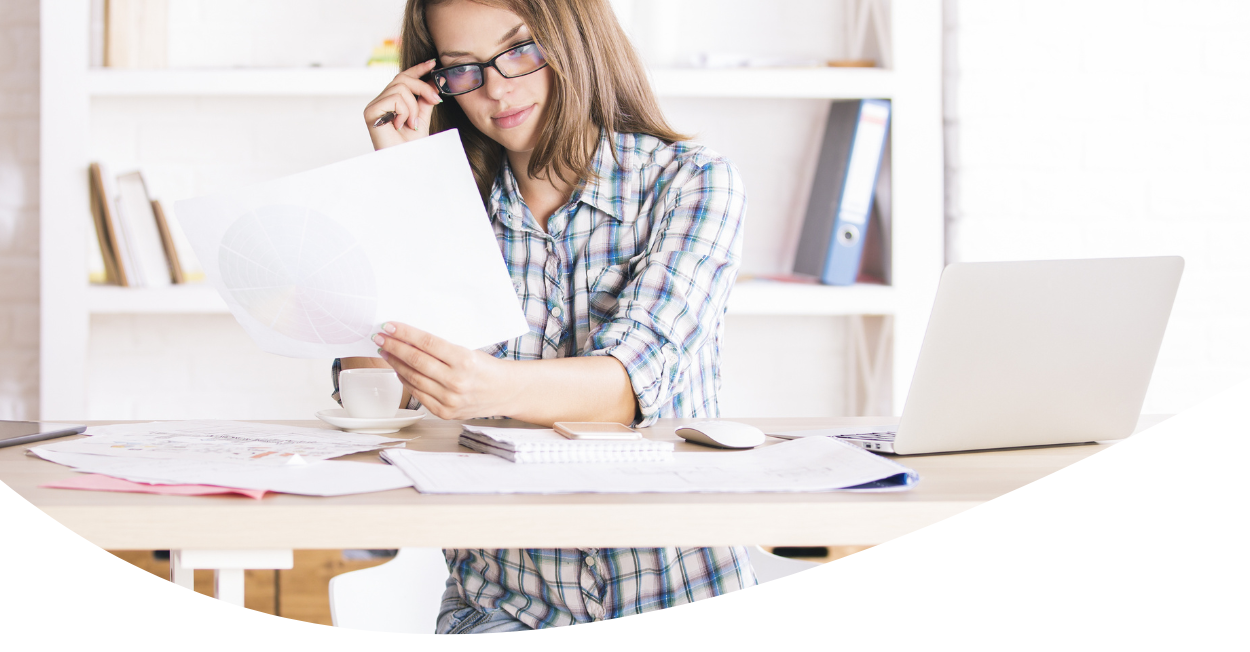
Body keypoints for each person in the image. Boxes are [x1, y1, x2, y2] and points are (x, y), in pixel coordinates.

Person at [334, 0, 754, 634]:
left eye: (520, 50)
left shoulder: (693, 184)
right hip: (502, 612)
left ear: (576, 39)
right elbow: (377, 397)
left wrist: (488, 388)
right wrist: (401, 183)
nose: (498, 91)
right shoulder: (449, 207)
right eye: (464, 69)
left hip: (685, 605)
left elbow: (627, 388)